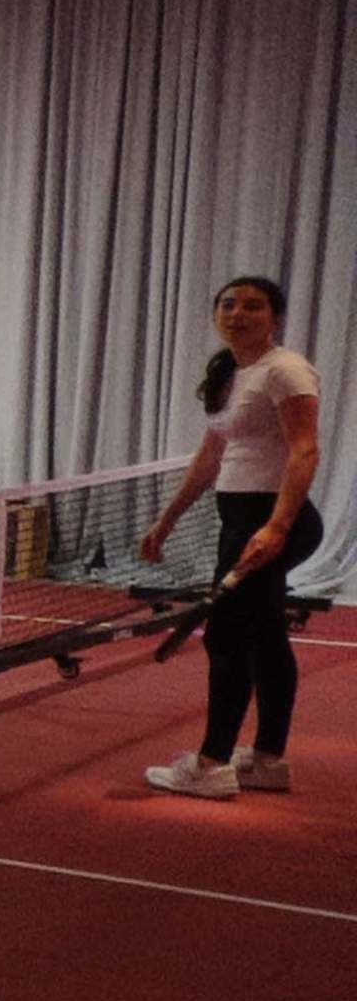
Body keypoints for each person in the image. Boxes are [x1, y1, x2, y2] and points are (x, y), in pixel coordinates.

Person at [138, 271, 321, 797]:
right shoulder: (232, 373)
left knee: (226, 637)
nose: (238, 313)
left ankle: (211, 764)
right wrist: (166, 520)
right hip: (240, 521)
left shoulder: (286, 371)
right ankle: (266, 760)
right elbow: (211, 455)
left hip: (270, 522)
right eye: (228, 304)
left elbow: (305, 450)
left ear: (276, 317)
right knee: (263, 637)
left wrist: (277, 527)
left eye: (253, 306)